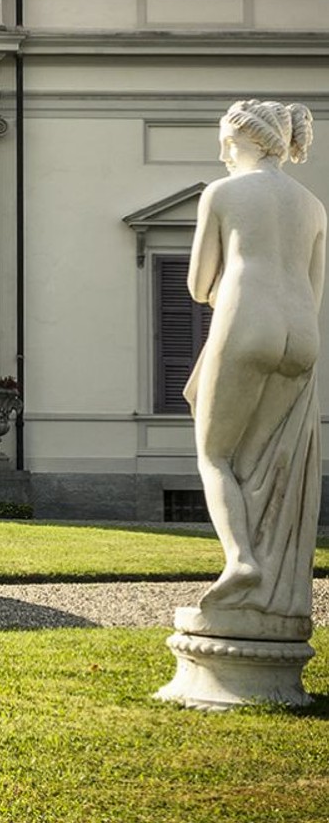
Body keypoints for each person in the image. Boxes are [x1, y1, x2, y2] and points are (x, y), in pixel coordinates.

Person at [183, 99, 324, 637]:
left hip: (248, 321)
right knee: (263, 462)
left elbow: (199, 286)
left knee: (216, 455)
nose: (221, 151)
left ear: (244, 140)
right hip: (301, 336)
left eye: (226, 140)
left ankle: (241, 560)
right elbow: (315, 289)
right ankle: (268, 589)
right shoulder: (312, 204)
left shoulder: (222, 193)